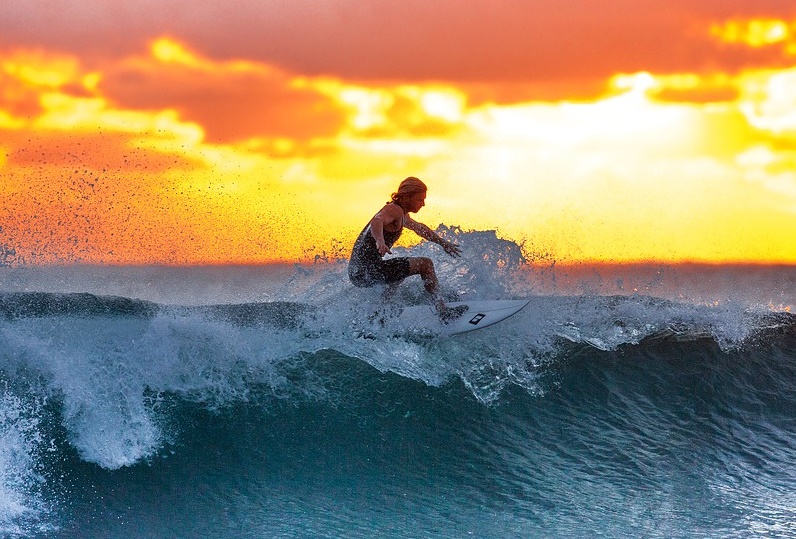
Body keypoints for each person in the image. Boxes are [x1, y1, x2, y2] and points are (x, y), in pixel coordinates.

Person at [348, 177, 468, 323]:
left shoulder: (401, 214)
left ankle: (378, 315)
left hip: (359, 272)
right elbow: (377, 220)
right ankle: (443, 311)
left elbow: (420, 229)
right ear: (406, 196)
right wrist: (380, 240)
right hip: (366, 270)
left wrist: (443, 243)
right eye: (419, 199)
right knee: (425, 264)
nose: (423, 204)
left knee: (402, 270)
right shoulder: (394, 209)